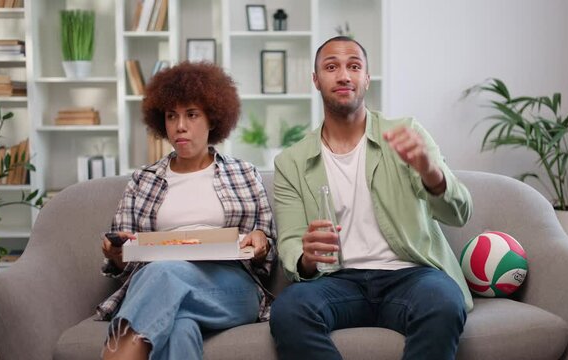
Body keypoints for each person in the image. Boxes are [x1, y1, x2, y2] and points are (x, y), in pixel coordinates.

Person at [269, 36, 473, 360]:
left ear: (366, 77)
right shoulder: (291, 161)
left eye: (354, 66)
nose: (344, 75)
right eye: (331, 66)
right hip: (337, 282)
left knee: (443, 301)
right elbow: (292, 244)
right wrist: (307, 257)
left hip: (410, 276)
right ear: (316, 79)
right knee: (289, 310)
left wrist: (431, 172)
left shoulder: (406, 132)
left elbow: (460, 213)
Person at [96, 61, 277, 360]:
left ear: (212, 120)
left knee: (165, 273)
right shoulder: (144, 180)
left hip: (229, 287)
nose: (180, 126)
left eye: (192, 114)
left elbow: (266, 251)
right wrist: (117, 253)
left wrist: (260, 241)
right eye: (171, 116)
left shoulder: (244, 173)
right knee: (180, 327)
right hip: (156, 282)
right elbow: (124, 261)